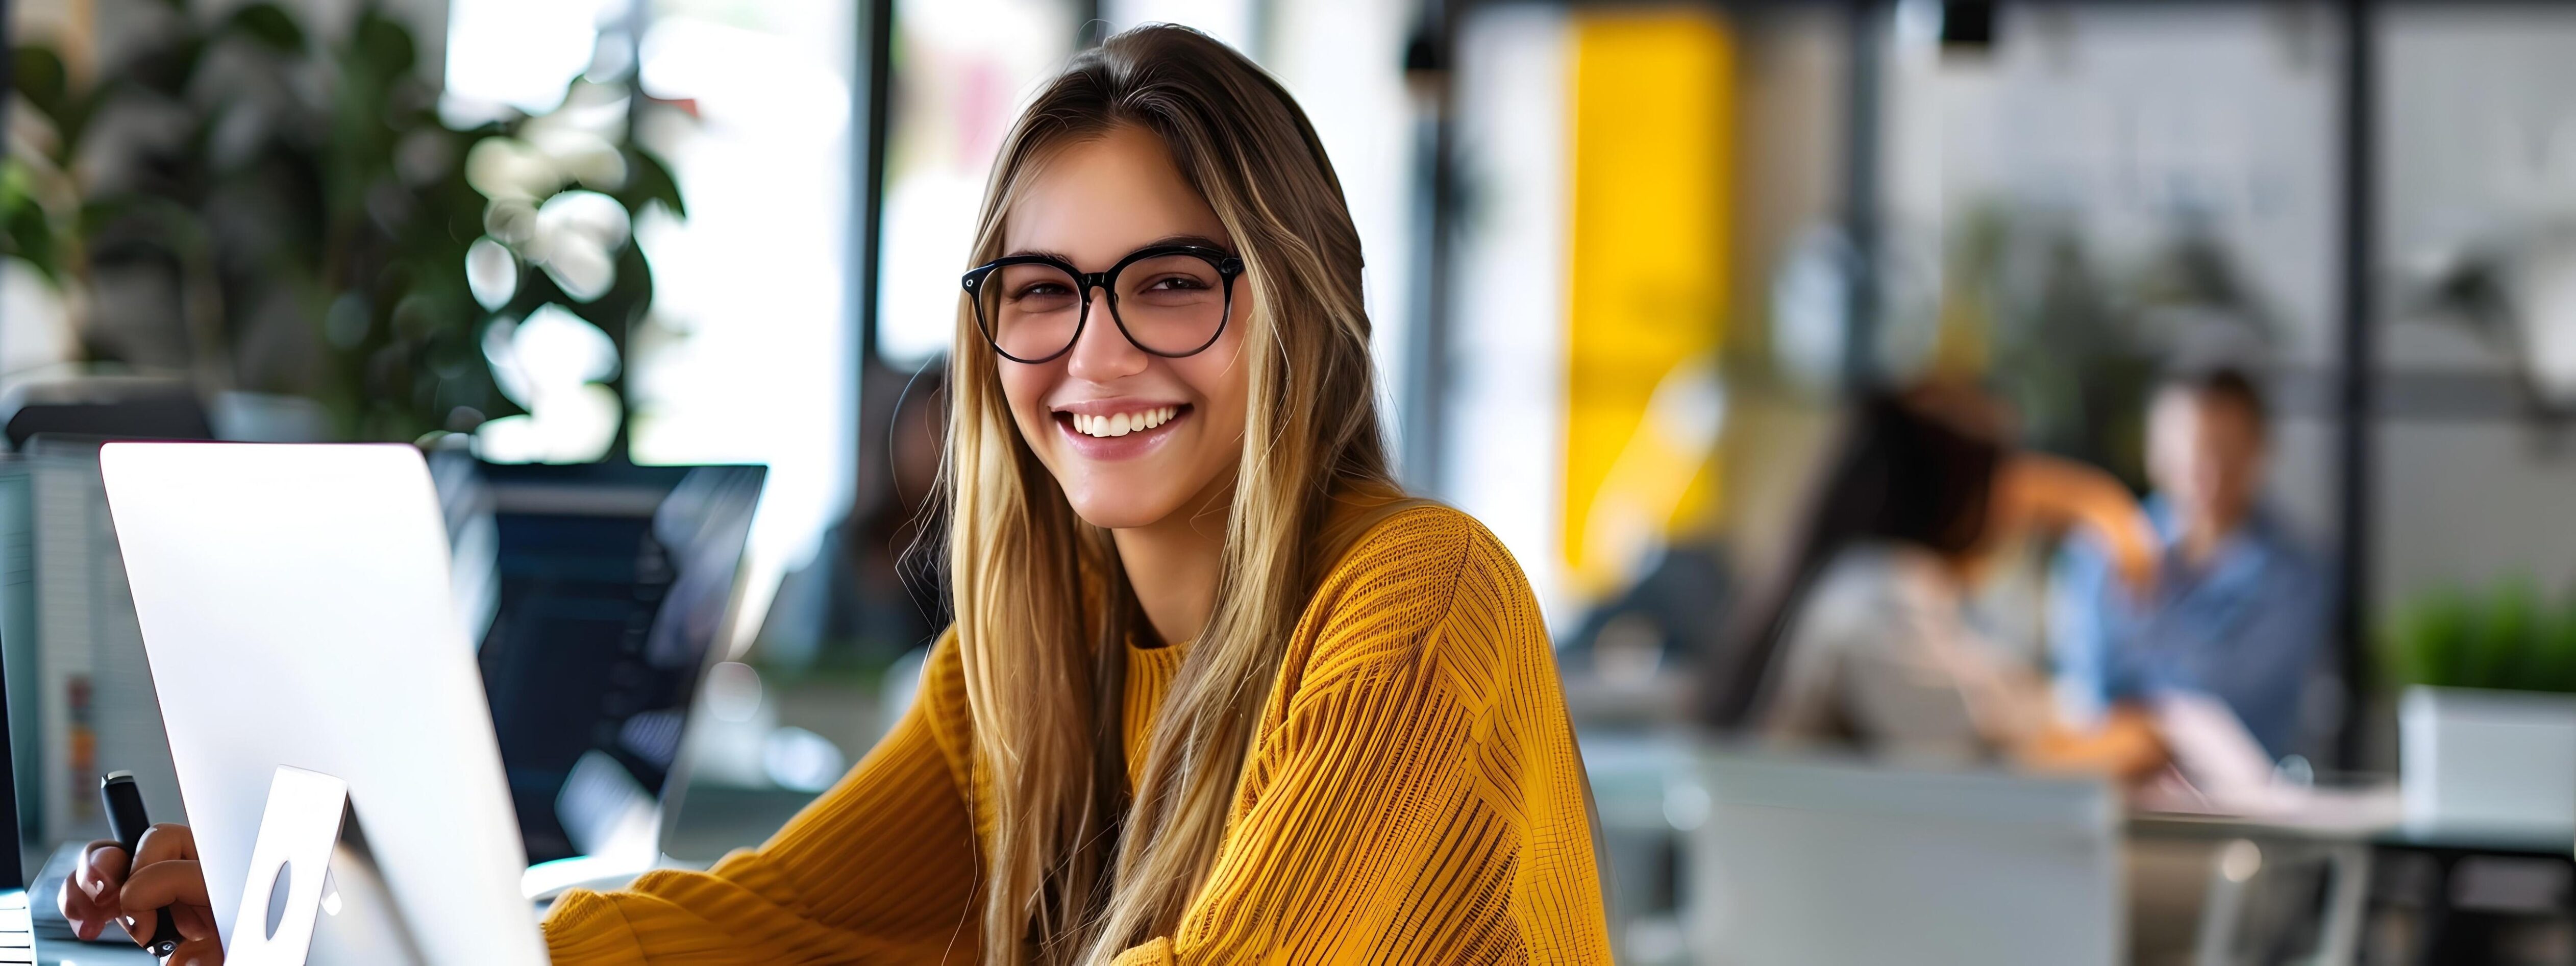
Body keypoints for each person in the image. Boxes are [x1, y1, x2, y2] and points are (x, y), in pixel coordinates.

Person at [61, 26, 1612, 966]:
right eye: (1040, 291)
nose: (1092, 352)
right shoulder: (1030, 655)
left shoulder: (1415, 603)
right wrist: (353, 935)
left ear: (1297, 304)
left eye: (1168, 283)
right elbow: (764, 931)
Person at [1706, 387, 2169, 775]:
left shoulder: (1863, 581)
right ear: (1956, 501)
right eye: (1994, 491)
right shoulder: (1881, 595)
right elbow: (1993, 765)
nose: (2011, 514)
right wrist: (2137, 744)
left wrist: (2098, 506)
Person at [2050, 367, 2327, 761]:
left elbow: (2233, 701)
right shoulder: (2098, 551)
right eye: (2193, 450)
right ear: (2154, 449)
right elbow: (2084, 694)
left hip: (2242, 804)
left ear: (2260, 450)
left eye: (2227, 450)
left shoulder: (2297, 575)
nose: (2210, 473)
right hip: (2110, 785)